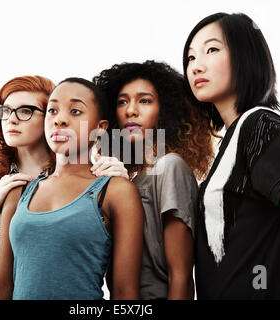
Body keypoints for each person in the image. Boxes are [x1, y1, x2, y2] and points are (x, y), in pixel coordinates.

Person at [183, 12, 280, 299]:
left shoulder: (262, 128)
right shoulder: (236, 138)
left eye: (211, 49)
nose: (196, 66)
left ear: (246, 56)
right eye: (190, 58)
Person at [0, 75, 128, 300]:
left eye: (25, 111)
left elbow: (96, 259)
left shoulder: (90, 179)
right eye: (6, 111)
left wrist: (118, 180)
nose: (11, 120)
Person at [93, 60, 214, 299]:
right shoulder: (122, 178)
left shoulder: (170, 167)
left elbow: (180, 276)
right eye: (122, 102)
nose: (131, 110)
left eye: (144, 100)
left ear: (165, 110)